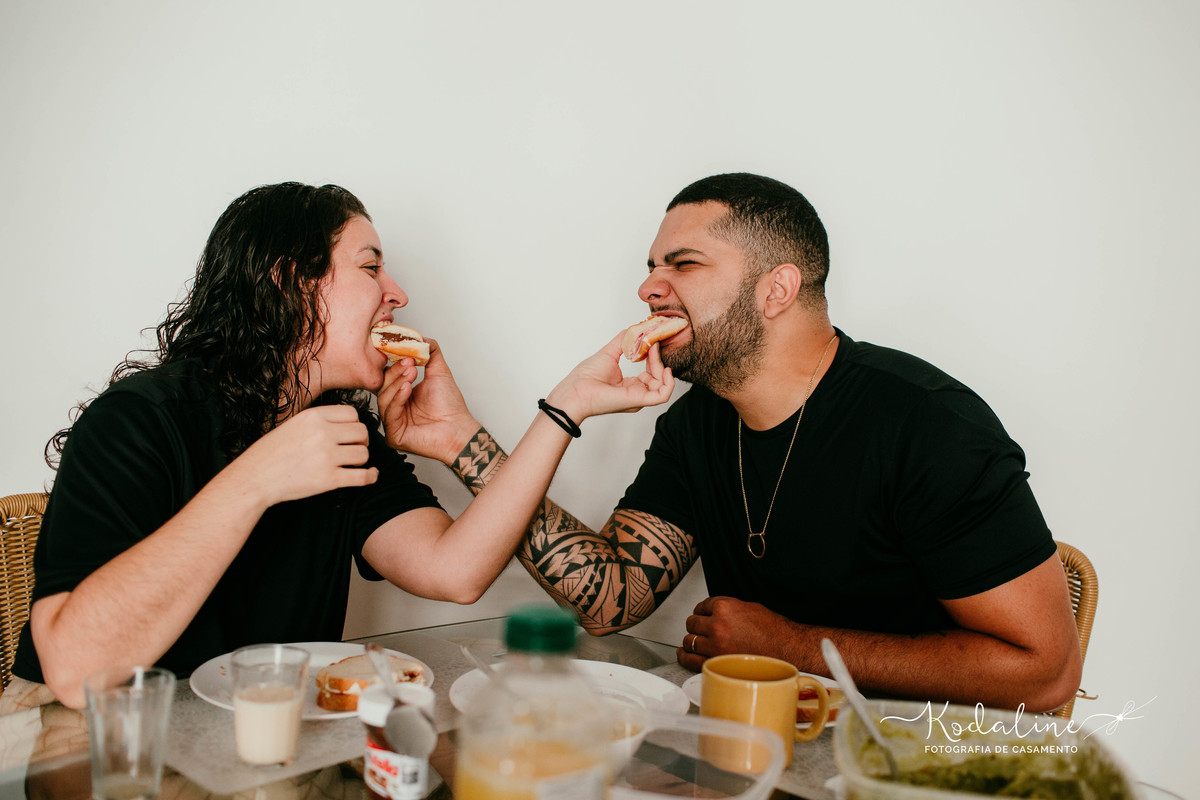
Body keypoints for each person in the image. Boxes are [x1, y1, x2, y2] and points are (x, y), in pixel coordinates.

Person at [391, 173, 1083, 712]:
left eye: (682, 264)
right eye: (652, 266)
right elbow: (613, 596)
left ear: (776, 289)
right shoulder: (700, 421)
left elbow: (1046, 673)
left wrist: (791, 647)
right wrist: (462, 441)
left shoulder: (928, 425)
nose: (647, 287)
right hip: (759, 748)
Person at [13, 181, 674, 709]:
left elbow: (457, 570)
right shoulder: (138, 420)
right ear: (288, 281)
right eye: (370, 268)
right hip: (87, 745)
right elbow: (74, 672)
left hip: (254, 748)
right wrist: (256, 480)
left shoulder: (343, 433)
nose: (398, 294)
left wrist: (562, 408)